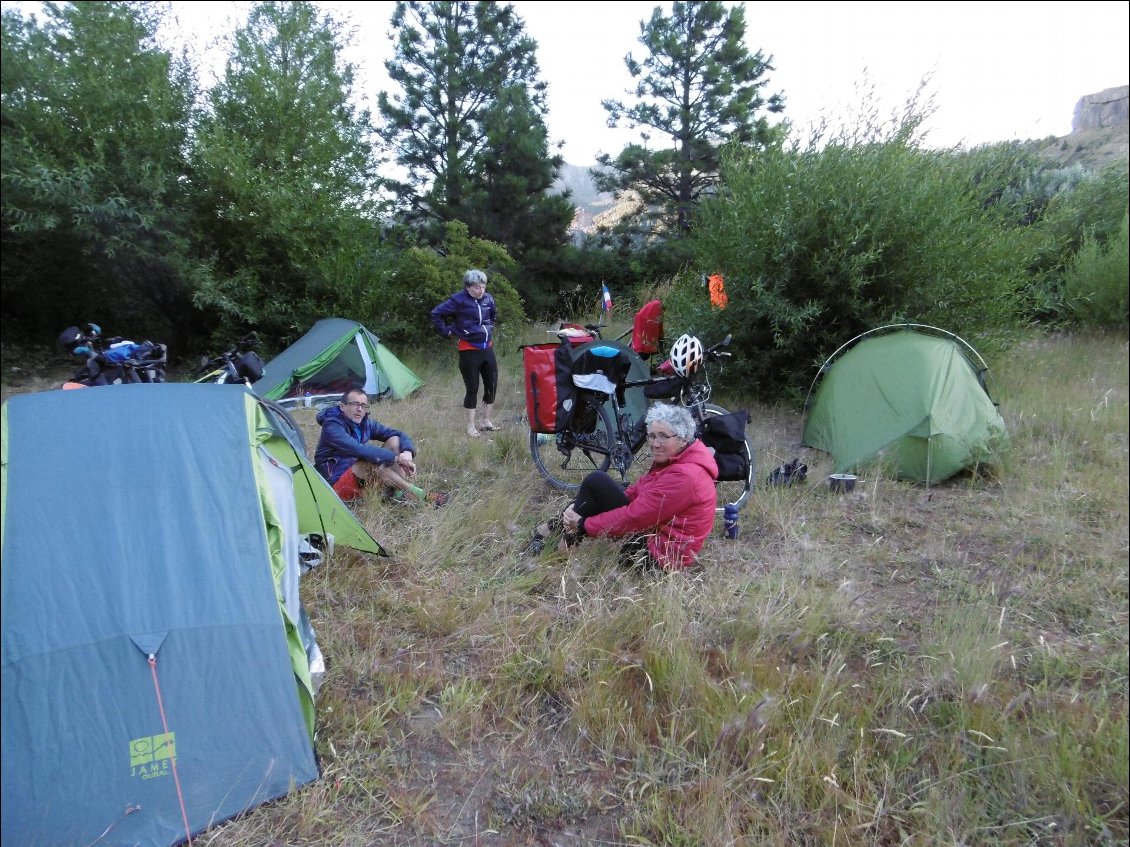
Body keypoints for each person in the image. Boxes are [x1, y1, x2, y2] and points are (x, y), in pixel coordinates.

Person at [525, 403, 718, 570]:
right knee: (599, 486)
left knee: (596, 481)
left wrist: (584, 524)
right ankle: (562, 536)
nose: (655, 444)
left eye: (663, 436)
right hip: (655, 532)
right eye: (651, 436)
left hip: (657, 557)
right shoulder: (678, 458)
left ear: (682, 438)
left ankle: (559, 537)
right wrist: (593, 503)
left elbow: (635, 517)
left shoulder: (686, 476)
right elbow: (639, 490)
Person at [314, 388, 447, 506]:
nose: (360, 409)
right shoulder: (332, 426)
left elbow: (398, 434)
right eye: (355, 404)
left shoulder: (364, 423)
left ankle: (398, 494)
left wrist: (407, 452)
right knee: (370, 463)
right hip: (336, 485)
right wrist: (397, 459)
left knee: (395, 440)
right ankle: (421, 495)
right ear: (342, 406)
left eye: (363, 405)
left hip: (357, 478)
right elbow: (358, 450)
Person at [430, 268, 499, 437]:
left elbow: (493, 317)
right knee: (472, 388)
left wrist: (489, 329)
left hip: (487, 348)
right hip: (469, 350)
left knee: (491, 385)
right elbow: (436, 313)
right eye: (477, 287)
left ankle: (485, 421)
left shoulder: (488, 299)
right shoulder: (458, 300)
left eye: (483, 286)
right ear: (468, 287)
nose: (481, 290)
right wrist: (446, 331)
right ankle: (470, 426)